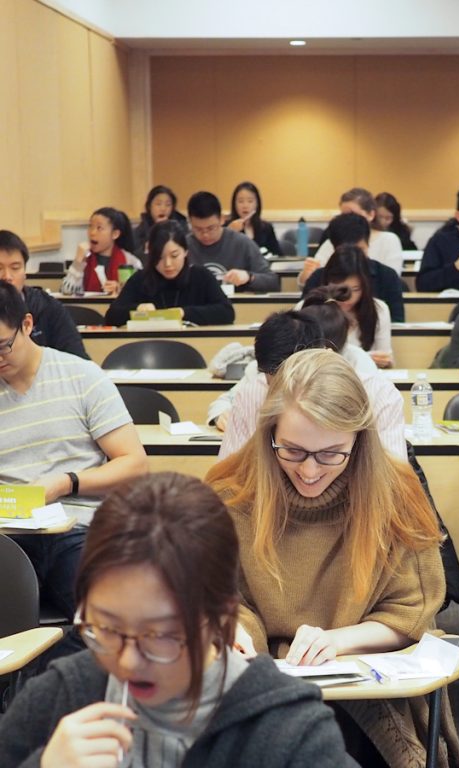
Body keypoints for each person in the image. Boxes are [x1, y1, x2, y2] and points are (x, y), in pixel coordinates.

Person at [206, 349, 459, 767]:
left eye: (330, 453)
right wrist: (234, 628)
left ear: (359, 440)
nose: (309, 471)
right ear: (270, 433)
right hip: (262, 678)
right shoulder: (231, 492)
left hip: (367, 680)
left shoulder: (395, 492)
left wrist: (337, 640)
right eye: (292, 450)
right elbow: (219, 597)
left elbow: (411, 611)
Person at [0, 472, 355, 768]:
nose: (127, 661)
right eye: (105, 628)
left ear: (224, 620)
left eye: (161, 636)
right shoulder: (63, 697)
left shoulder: (288, 735)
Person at [0, 281, 148, 620]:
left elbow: (135, 464)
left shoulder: (81, 376)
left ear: (26, 325)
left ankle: (49, 669)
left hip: (78, 528)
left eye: (3, 346)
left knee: (111, 619)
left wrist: (66, 482)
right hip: (7, 536)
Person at [214, 308, 405, 460]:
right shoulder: (253, 392)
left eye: (296, 377)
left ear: (324, 355)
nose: (286, 390)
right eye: (274, 381)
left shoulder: (378, 394)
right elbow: (227, 477)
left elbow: (394, 482)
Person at [105, 221, 235, 326]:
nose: (167, 264)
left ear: (185, 252)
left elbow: (226, 312)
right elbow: (111, 316)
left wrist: (183, 312)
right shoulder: (140, 279)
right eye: (159, 257)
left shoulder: (201, 277)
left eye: (174, 255)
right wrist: (137, 309)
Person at [301, 213, 406, 322]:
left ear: (368, 243)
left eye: (360, 250)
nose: (355, 256)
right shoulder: (319, 277)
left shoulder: (387, 276)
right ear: (334, 249)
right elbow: (305, 321)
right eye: (346, 251)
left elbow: (396, 321)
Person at [0, 229, 87, 358]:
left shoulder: (47, 306)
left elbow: (77, 359)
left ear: (25, 271)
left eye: (15, 268)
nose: (7, 276)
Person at [310, 246, 392, 368]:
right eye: (341, 290)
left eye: (356, 289)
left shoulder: (379, 309)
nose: (348, 298)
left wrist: (384, 361)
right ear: (328, 283)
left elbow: (387, 359)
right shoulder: (309, 309)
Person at [185, 191, 280, 292]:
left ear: (222, 219)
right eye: (198, 229)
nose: (205, 235)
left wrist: (248, 277)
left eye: (211, 228)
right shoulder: (184, 246)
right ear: (190, 222)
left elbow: (273, 282)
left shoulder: (242, 243)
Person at [305, 187, 404, 277]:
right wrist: (306, 275)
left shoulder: (389, 240)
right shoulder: (333, 240)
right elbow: (315, 276)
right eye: (344, 215)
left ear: (371, 214)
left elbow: (392, 278)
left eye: (353, 214)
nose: (348, 219)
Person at [61, 207, 142, 296]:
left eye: (99, 228)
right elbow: (66, 293)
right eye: (90, 226)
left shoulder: (131, 261)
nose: (92, 232)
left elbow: (141, 295)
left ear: (115, 234)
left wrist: (121, 289)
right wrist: (78, 262)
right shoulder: (85, 258)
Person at [227, 181, 282, 256]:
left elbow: (278, 255)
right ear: (234, 204)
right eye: (240, 201)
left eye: (250, 201)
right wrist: (229, 232)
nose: (245, 206)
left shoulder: (266, 228)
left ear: (257, 204)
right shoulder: (227, 227)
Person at [133, 185, 188, 250]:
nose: (163, 208)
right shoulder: (139, 231)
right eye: (158, 204)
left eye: (168, 204)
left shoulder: (181, 227)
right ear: (149, 206)